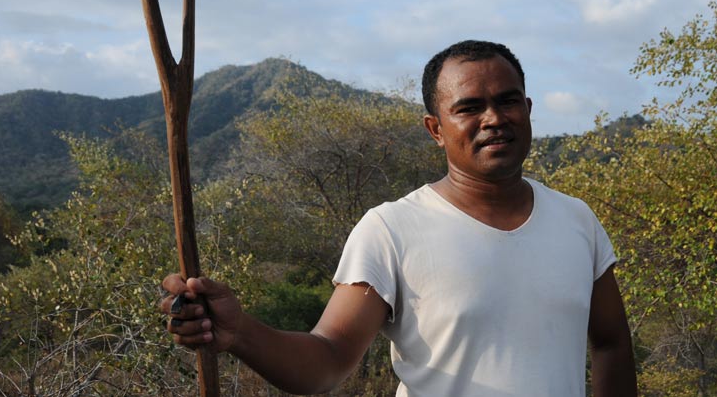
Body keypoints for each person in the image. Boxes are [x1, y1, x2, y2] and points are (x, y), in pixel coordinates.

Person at [161, 40, 638, 396]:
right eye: (469, 108)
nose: (494, 117)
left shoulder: (577, 220)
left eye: (507, 100)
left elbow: (613, 344)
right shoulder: (391, 230)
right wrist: (240, 332)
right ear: (436, 129)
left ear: (528, 110)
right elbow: (327, 360)